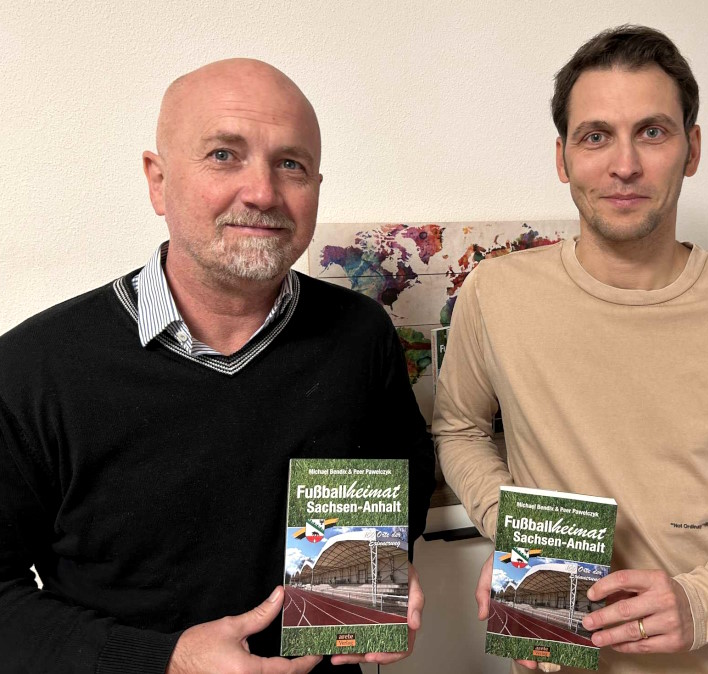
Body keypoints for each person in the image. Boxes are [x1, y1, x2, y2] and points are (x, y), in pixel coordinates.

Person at [432, 25, 708, 674]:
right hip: (559, 660)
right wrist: (517, 534)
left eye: (652, 132)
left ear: (692, 148)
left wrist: (703, 599)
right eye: (595, 136)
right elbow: (458, 427)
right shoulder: (496, 295)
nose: (623, 164)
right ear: (563, 157)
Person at [0, 59, 435, 674]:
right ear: (157, 180)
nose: (261, 191)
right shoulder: (30, 369)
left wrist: (387, 564)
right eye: (224, 155)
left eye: (290, 164)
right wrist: (165, 661)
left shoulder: (360, 334)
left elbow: (407, 462)